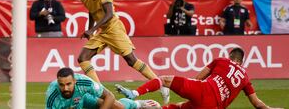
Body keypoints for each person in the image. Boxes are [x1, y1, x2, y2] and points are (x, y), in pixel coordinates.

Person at [78, 0, 170, 104]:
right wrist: (90, 29)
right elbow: (92, 12)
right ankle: (99, 91)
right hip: (102, 31)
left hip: (114, 28)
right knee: (83, 58)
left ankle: (160, 84)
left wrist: (92, 29)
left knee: (131, 60)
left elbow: (109, 14)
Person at [116, 48, 282, 109]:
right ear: (242, 61)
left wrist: (190, 90)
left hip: (204, 91)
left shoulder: (222, 61)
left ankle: (135, 95)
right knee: (180, 107)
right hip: (214, 106)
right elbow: (258, 104)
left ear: (231, 56)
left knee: (165, 80)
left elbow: (199, 77)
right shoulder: (245, 77)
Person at [45, 67, 160, 109]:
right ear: (58, 83)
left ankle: (138, 105)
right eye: (61, 85)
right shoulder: (52, 95)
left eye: (69, 84)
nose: (65, 88)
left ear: (75, 81)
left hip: (83, 98)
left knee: (118, 107)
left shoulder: (84, 83)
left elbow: (109, 96)